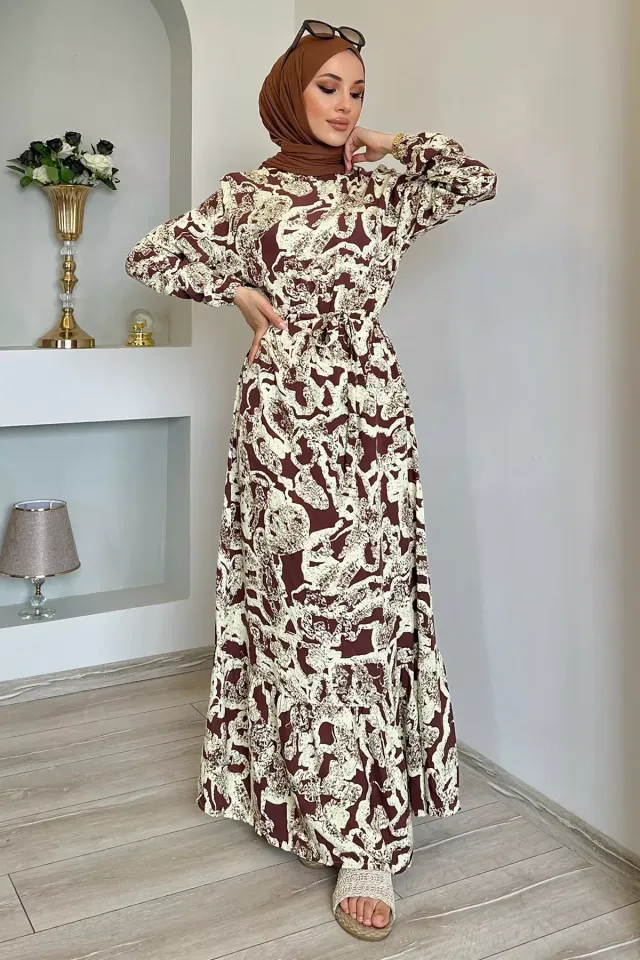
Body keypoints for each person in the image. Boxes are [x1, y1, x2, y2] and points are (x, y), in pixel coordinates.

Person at [125, 19, 497, 943]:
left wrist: (389, 140)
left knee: (368, 616)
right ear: (290, 91)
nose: (344, 104)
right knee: (296, 612)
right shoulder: (248, 196)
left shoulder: (384, 189)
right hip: (282, 421)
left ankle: (368, 841)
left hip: (368, 416)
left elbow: (472, 178)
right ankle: (289, 794)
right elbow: (151, 255)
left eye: (357, 89)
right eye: (329, 86)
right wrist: (236, 291)